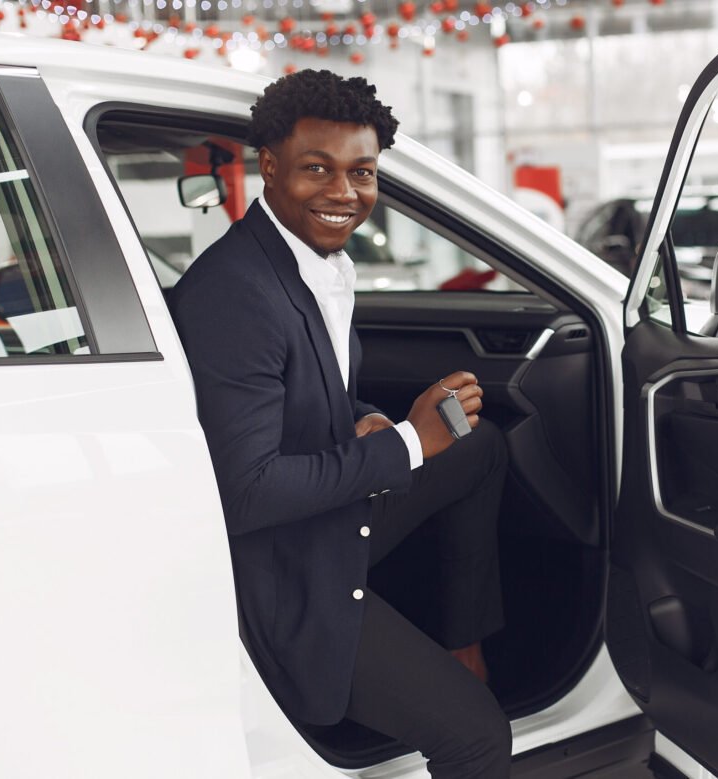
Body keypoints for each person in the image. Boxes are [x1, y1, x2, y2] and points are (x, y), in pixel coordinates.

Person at [170, 70, 511, 778]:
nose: (344, 193)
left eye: (362, 172)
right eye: (317, 169)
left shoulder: (315, 258)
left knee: (478, 448)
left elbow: (309, 392)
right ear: (269, 167)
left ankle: (459, 637)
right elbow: (248, 490)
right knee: (478, 736)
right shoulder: (236, 294)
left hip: (326, 513)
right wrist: (409, 442)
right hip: (282, 572)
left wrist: (365, 417)